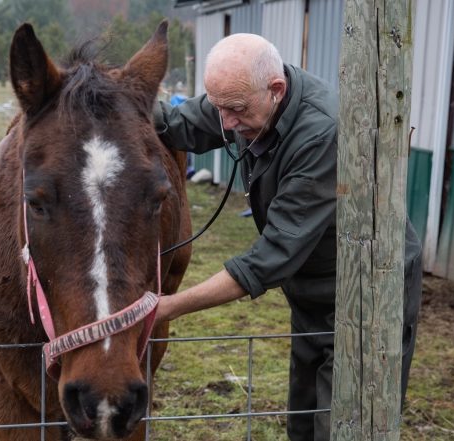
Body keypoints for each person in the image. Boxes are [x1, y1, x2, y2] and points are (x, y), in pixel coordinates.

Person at [152, 33, 422, 441]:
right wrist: (105, 101)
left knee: (345, 426)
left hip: (367, 296)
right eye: (217, 106)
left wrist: (167, 307)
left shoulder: (324, 134)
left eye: (235, 110)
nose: (225, 124)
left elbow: (272, 256)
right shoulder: (242, 99)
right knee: (303, 422)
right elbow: (173, 123)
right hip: (311, 291)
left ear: (275, 90)